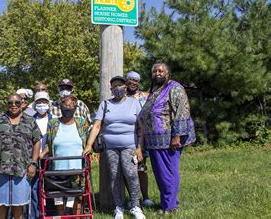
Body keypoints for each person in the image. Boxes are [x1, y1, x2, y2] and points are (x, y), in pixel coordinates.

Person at [84, 76, 146, 219]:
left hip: (129, 146)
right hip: (110, 147)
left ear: (125, 87)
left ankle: (135, 206)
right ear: (111, 89)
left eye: (120, 85)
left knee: (131, 174)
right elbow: (97, 125)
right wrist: (88, 145)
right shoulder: (105, 104)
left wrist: (139, 147)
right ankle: (119, 207)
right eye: (114, 86)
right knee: (115, 176)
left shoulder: (134, 103)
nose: (118, 88)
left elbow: (141, 127)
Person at [138, 63, 196, 214]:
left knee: (168, 172)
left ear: (167, 74)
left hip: (169, 139)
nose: (157, 73)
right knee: (160, 174)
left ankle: (170, 207)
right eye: (154, 71)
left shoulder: (174, 87)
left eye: (160, 71)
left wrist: (177, 136)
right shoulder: (155, 90)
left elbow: (182, 111)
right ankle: (167, 202)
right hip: (155, 141)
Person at [0, 94, 42, 219]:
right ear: (7, 104)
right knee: (1, 204)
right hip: (1, 169)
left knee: (18, 205)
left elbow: (37, 141)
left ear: (22, 103)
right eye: (10, 102)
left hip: (22, 169)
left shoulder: (30, 120)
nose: (13, 105)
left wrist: (33, 163)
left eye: (17, 102)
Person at [41, 95, 90, 216]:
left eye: (71, 106)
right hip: (57, 169)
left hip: (77, 169)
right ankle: (62, 217)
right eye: (65, 106)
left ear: (75, 107)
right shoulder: (53, 123)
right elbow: (49, 143)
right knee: (59, 199)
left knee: (77, 198)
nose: (68, 108)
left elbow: (87, 141)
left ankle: (76, 217)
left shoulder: (81, 122)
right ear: (61, 107)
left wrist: (89, 147)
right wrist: (41, 154)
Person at [126, 71, 154, 207]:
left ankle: (146, 197)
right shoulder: (121, 97)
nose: (133, 82)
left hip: (142, 138)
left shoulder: (145, 96)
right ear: (126, 81)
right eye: (130, 79)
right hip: (125, 137)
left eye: (136, 80)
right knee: (127, 170)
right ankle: (132, 197)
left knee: (140, 169)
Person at [29, 91, 53, 219]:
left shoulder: (53, 120)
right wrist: (35, 155)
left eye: (44, 102)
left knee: (49, 187)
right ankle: (35, 215)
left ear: (48, 104)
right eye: (39, 102)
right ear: (35, 104)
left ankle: (49, 214)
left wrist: (43, 153)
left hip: (48, 158)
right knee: (34, 189)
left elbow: (54, 140)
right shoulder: (29, 120)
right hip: (34, 159)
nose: (42, 104)